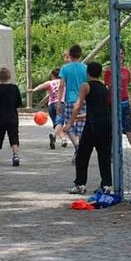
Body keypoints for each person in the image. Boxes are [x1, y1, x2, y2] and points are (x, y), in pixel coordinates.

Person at [64, 62, 112, 195]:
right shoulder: (105, 88)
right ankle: (106, 185)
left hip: (93, 125)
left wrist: (71, 122)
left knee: (82, 155)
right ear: (100, 73)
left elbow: (78, 104)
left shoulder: (85, 86)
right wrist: (83, 116)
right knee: (104, 155)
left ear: (87, 73)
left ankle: (80, 184)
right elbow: (101, 108)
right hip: (106, 124)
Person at [57, 44, 87, 158]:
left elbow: (61, 85)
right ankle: (79, 148)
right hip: (83, 99)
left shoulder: (65, 68)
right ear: (80, 54)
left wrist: (59, 102)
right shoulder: (85, 68)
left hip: (70, 100)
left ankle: (77, 146)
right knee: (81, 125)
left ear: (70, 55)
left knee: (69, 125)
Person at [0, 67, 22, 166]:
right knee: (14, 136)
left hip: (0, 118)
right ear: (9, 76)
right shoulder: (14, 88)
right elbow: (19, 103)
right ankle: (15, 155)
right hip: (12, 117)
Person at [30, 68, 68, 149]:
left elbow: (42, 86)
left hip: (51, 105)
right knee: (60, 123)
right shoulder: (64, 83)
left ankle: (64, 139)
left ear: (52, 75)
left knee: (57, 124)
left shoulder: (50, 82)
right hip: (60, 103)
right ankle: (54, 136)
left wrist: (34, 90)